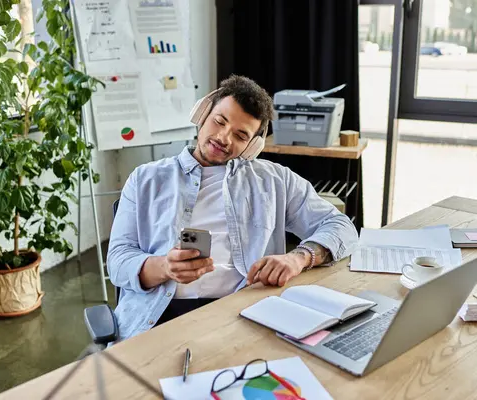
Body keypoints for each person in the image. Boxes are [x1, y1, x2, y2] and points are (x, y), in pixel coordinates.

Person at [107, 75, 358, 340]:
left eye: (240, 135)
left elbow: (342, 227)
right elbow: (118, 261)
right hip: (159, 315)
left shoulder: (275, 181)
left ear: (253, 146)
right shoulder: (146, 178)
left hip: (245, 314)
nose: (223, 138)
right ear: (202, 114)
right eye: (219, 121)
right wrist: (164, 267)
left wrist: (299, 257)